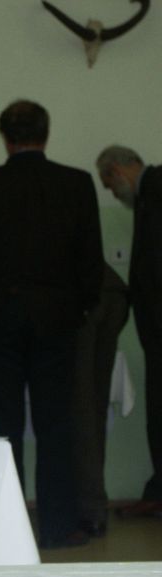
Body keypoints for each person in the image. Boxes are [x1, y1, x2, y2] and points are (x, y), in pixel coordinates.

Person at [0, 100, 103, 548]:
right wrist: (79, 310)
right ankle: (58, 526)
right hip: (56, 319)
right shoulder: (76, 183)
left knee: (3, 427)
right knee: (56, 425)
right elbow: (90, 261)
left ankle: (5, 530)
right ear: (46, 133)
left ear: (5, 137)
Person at [96, 145, 162, 519]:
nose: (111, 192)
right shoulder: (151, 192)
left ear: (118, 170)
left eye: (108, 183)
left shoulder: (157, 187)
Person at [71, 262, 129, 536]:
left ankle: (90, 508)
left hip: (83, 295)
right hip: (113, 290)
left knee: (82, 406)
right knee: (94, 407)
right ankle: (93, 507)